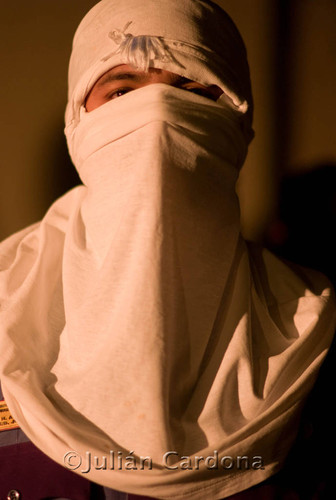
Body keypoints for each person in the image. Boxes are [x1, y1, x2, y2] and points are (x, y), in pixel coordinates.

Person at [0, 0, 335, 499]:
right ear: (79, 121)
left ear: (239, 127)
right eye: (121, 91)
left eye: (195, 93)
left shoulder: (311, 327)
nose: (157, 116)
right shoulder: (7, 303)